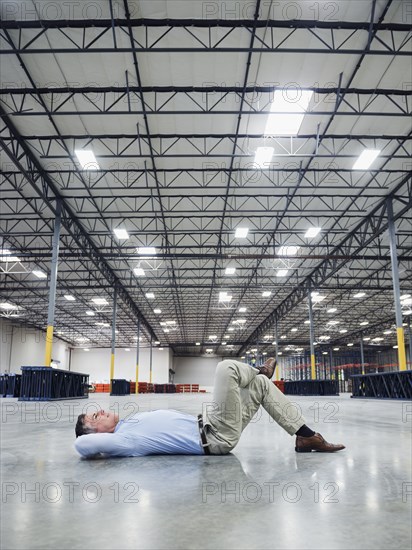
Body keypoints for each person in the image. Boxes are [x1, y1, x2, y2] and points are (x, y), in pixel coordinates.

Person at [74, 358, 345, 458]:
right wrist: (96, 440)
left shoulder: (126, 425)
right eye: (94, 417)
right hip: (214, 435)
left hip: (214, 425)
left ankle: (307, 437)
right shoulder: (123, 441)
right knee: (226, 368)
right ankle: (259, 369)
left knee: (261, 385)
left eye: (96, 410)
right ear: (97, 434)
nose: (100, 411)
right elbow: (81, 446)